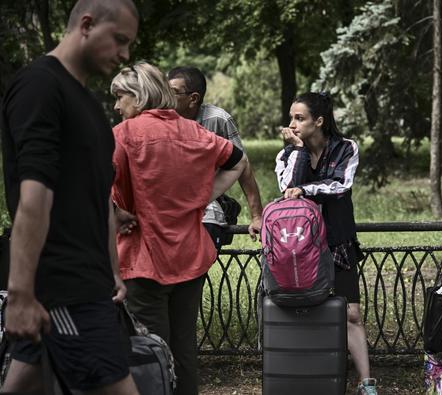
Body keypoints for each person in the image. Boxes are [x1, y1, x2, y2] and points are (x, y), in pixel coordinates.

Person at [0, 0, 140, 394]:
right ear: (86, 24)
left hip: (89, 281)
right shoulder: (41, 86)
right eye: (119, 40)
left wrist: (112, 270)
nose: (126, 53)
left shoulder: (89, 106)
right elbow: (34, 198)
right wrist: (22, 294)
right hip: (65, 288)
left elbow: (93, 201)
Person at [110, 61, 248, 395]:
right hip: (190, 257)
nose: (116, 105)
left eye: (120, 96)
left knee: (151, 352)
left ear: (140, 97)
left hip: (144, 262)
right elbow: (238, 161)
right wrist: (202, 198)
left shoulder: (122, 135)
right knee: (184, 351)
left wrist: (115, 213)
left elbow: (95, 192)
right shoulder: (194, 131)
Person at [275, 92, 377, 395]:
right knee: (306, 309)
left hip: (338, 240)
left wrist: (303, 192)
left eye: (300, 118)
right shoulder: (287, 154)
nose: (292, 124)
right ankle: (311, 373)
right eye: (291, 118)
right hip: (299, 247)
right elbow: (287, 186)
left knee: (351, 313)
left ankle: (366, 381)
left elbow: (339, 185)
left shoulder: (346, 148)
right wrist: (299, 150)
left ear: (319, 121)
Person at [167, 67, 263, 249]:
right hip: (168, 197)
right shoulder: (161, 119)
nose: (165, 98)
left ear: (193, 98)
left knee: (208, 227)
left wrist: (257, 216)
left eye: (173, 93)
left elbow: (243, 167)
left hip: (206, 196)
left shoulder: (218, 120)